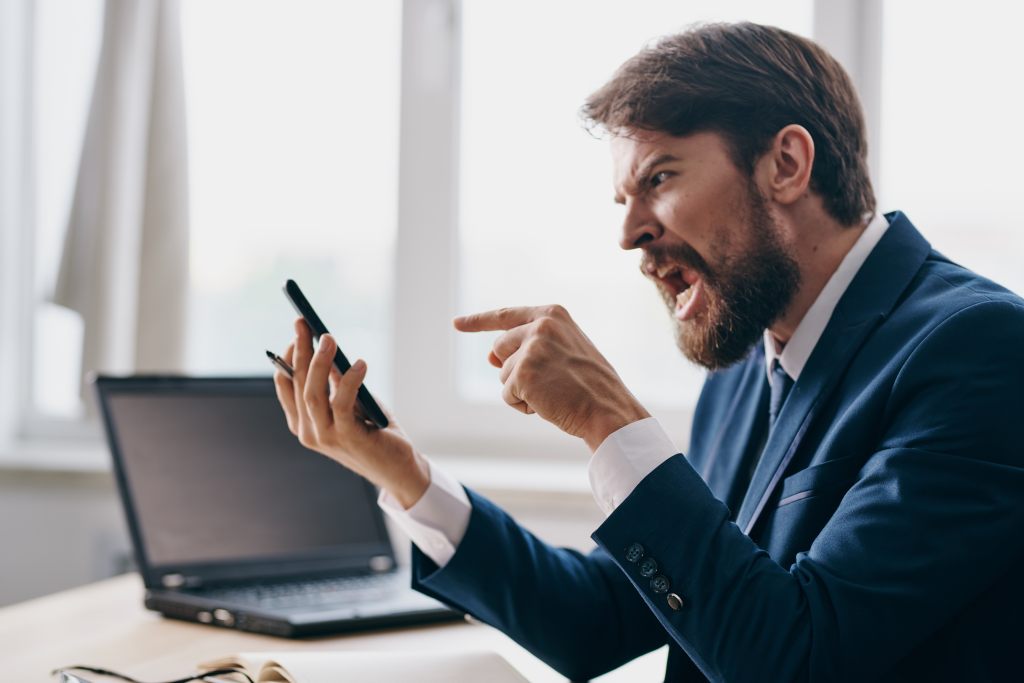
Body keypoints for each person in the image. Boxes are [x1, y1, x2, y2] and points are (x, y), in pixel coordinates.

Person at [272, 22, 1024, 683]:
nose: (628, 233)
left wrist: (610, 421)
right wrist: (403, 474)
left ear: (787, 164)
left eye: (658, 178)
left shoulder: (981, 349)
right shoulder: (747, 372)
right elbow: (599, 618)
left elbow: (797, 656)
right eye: (622, 201)